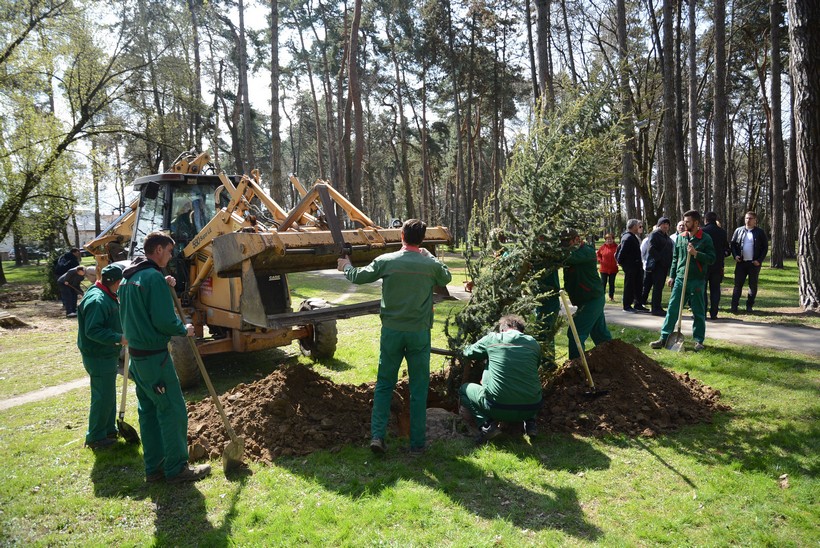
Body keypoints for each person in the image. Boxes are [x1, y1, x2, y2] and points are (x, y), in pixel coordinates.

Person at [337, 219, 452, 455]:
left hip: (392, 332)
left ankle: (377, 436)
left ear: (401, 235)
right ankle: (417, 445)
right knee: (419, 389)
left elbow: (358, 276)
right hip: (419, 333)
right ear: (422, 239)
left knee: (384, 384)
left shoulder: (387, 261)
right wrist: (429, 256)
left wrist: (346, 266)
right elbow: (446, 278)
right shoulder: (429, 265)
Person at [119, 232, 211, 483]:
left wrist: (162, 281)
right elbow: (163, 320)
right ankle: (176, 468)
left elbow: (139, 308)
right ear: (158, 250)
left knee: (149, 412)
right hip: (155, 359)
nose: (171, 256)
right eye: (169, 251)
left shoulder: (129, 278)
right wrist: (184, 329)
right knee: (172, 411)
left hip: (137, 359)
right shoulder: (152, 278)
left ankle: (155, 468)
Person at [459, 314, 543, 442]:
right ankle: (531, 424)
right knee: (526, 382)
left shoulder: (493, 339)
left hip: (498, 408)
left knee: (464, 390)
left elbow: (468, 352)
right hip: (531, 408)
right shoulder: (533, 343)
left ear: (503, 329)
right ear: (521, 331)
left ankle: (487, 425)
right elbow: (535, 366)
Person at [650, 210, 716, 352]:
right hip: (680, 279)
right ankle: (664, 337)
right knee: (673, 309)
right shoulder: (680, 237)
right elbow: (675, 258)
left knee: (698, 311)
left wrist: (696, 254)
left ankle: (698, 340)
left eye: (688, 222)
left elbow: (712, 258)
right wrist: (672, 275)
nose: (685, 224)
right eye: (684, 221)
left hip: (697, 280)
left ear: (696, 223)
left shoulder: (705, 238)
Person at [77, 264, 126, 450]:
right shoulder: (98, 300)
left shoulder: (106, 293)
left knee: (108, 393)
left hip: (106, 353)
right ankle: (96, 437)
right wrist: (119, 338)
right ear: (116, 282)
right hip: (98, 355)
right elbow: (93, 330)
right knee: (103, 395)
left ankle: (108, 430)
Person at [562, 229, 612, 359]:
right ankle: (613, 360)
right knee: (600, 334)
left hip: (592, 299)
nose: (564, 246)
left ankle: (576, 365)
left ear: (577, 239)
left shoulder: (586, 252)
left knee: (575, 333)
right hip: (588, 299)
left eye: (567, 242)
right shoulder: (573, 252)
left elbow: (567, 257)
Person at [729, 211, 768, 314]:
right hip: (741, 263)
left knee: (752, 285)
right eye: (746, 218)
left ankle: (749, 306)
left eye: (750, 218)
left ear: (755, 220)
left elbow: (765, 248)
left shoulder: (760, 232)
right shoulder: (739, 231)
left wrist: (759, 260)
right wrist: (735, 255)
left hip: (753, 264)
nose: (748, 220)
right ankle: (734, 306)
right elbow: (733, 244)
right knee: (738, 285)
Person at [641, 218, 673, 316]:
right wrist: (660, 259)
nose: (665, 226)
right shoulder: (655, 234)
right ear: (659, 225)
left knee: (659, 287)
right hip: (657, 266)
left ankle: (657, 306)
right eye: (663, 224)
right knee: (657, 287)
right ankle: (655, 308)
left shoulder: (666, 236)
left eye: (667, 224)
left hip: (664, 266)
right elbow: (651, 249)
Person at [702, 211, 729, 319]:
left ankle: (702, 312)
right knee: (715, 289)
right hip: (717, 265)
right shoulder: (722, 232)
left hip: (704, 264)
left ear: (705, 220)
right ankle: (714, 313)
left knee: (702, 289)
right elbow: (726, 248)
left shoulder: (702, 231)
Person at [617, 219, 647, 312]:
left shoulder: (633, 237)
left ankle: (638, 304)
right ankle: (627, 306)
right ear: (633, 226)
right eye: (638, 226)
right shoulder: (627, 237)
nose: (639, 227)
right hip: (630, 266)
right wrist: (622, 263)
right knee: (629, 286)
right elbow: (622, 252)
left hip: (636, 266)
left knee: (638, 285)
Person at [596, 233, 618, 302]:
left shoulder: (617, 247)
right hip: (604, 269)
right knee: (603, 283)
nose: (609, 240)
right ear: (605, 240)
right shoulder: (602, 247)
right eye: (607, 239)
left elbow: (620, 255)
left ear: (613, 239)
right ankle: (601, 297)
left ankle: (611, 297)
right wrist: (600, 260)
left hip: (613, 269)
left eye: (610, 239)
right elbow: (598, 255)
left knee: (612, 283)